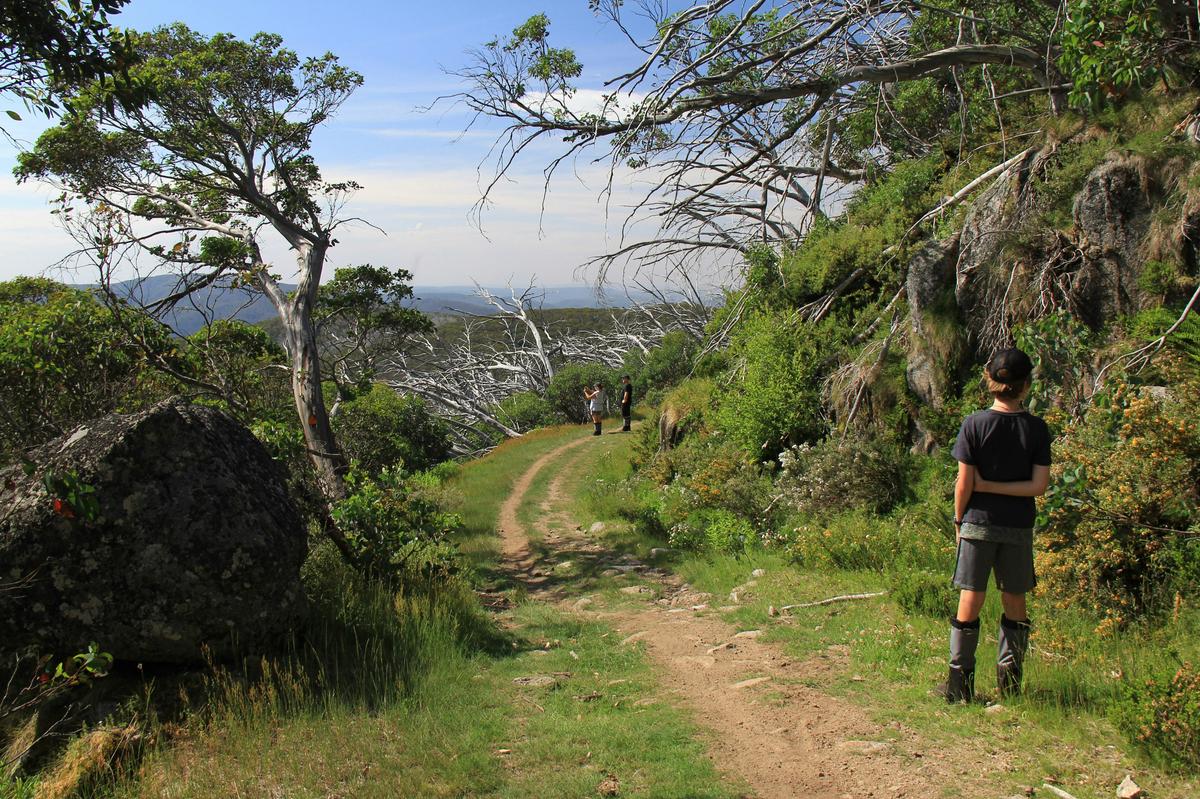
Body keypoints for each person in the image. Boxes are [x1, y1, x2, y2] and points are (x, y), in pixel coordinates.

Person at [943, 347, 1051, 703]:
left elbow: (964, 483)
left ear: (989, 381)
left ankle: (959, 687)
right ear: (1025, 385)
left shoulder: (974, 424)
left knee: (970, 597)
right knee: (1014, 600)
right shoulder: (1036, 429)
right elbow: (1038, 486)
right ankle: (1011, 685)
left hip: (977, 522)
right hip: (1018, 526)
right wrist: (1001, 489)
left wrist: (960, 517)